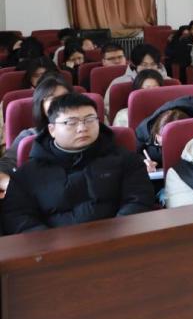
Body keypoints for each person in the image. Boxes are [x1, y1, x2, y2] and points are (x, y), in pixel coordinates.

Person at [2, 93, 154, 233]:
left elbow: (139, 200)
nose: (82, 128)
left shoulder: (125, 160)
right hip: (53, 248)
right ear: (52, 129)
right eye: (71, 122)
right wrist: (48, 244)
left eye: (89, 120)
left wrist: (116, 235)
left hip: (118, 240)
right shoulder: (28, 174)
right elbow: (18, 217)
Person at [0, 75, 72, 197]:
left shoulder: (86, 131)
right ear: (41, 106)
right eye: (53, 99)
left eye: (65, 98)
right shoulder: (29, 136)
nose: (60, 104)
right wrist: (13, 187)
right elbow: (3, 167)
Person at [135, 94, 193, 173]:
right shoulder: (143, 131)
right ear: (155, 134)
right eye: (159, 142)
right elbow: (135, 154)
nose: (165, 147)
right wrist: (143, 162)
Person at [104, 43, 167, 120]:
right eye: (144, 65)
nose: (149, 68)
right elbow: (107, 111)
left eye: (153, 64)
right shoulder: (118, 83)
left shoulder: (169, 81)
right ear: (134, 65)